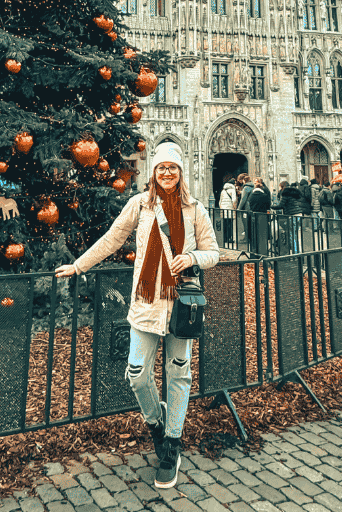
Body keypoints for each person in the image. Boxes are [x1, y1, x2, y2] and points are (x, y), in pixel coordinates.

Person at [55, 142, 219, 489]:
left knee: (179, 375)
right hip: (146, 302)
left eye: (173, 167)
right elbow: (112, 239)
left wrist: (191, 259)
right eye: (161, 167)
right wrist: (79, 264)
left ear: (181, 171)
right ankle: (155, 421)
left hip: (182, 305)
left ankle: (172, 443)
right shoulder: (140, 204)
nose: (167, 173)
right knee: (136, 373)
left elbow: (213, 253)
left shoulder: (194, 209)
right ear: (154, 172)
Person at [272, 180, 305, 252]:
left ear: (283, 187)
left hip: (292, 215)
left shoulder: (285, 194)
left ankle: (295, 252)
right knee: (295, 234)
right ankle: (298, 250)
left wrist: (272, 206)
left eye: (280, 187)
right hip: (299, 214)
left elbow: (281, 205)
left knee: (292, 235)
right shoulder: (294, 193)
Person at [218, 176, 237, 244]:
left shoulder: (223, 190)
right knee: (230, 224)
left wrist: (221, 208)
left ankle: (224, 238)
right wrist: (235, 207)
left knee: (225, 224)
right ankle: (230, 238)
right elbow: (234, 200)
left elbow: (220, 201)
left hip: (223, 209)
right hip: (230, 209)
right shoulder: (232, 190)